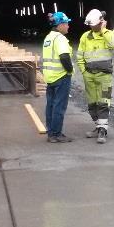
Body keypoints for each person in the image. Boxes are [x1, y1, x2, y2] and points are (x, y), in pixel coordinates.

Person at [76, 9, 114, 144]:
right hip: (89, 76)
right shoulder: (85, 37)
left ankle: (103, 131)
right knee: (92, 104)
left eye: (93, 25)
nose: (91, 27)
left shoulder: (109, 35)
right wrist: (84, 72)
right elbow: (80, 56)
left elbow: (113, 44)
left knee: (103, 103)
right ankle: (98, 126)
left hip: (104, 77)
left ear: (100, 22)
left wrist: (104, 30)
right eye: (90, 25)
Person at [42, 11, 74, 143]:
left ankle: (50, 133)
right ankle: (56, 134)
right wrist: (70, 70)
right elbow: (64, 57)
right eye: (66, 23)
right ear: (60, 25)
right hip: (61, 77)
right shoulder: (60, 39)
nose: (68, 26)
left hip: (50, 77)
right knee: (59, 106)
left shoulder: (48, 37)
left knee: (50, 105)